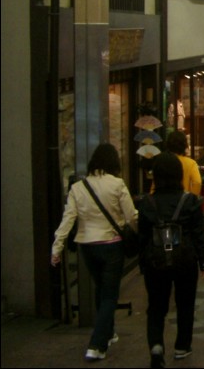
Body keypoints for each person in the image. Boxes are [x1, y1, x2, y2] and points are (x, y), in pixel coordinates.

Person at [51, 143, 138, 362]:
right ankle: (96, 344)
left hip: (87, 246)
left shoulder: (78, 187)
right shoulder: (117, 184)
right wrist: (140, 234)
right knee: (109, 294)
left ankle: (108, 333)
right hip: (111, 244)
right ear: (114, 162)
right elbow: (131, 217)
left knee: (101, 289)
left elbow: (68, 219)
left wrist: (57, 247)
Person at [139, 151, 204, 368]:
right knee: (185, 303)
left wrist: (143, 263)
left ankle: (156, 346)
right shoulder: (189, 201)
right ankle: (182, 346)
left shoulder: (147, 202)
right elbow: (199, 233)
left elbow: (143, 237)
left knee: (156, 305)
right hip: (185, 259)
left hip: (155, 261)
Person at [152, 130, 201, 196]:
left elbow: (155, 183)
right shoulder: (191, 163)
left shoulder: (163, 161)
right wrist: (192, 199)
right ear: (184, 145)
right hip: (183, 201)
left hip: (162, 201)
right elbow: (197, 182)